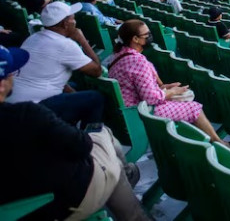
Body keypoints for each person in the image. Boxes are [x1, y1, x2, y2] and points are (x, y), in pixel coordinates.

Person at [0, 45, 149, 221]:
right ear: (2, 85)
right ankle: (131, 196)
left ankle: (123, 175)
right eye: (11, 73)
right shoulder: (27, 115)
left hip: (18, 206)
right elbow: (81, 146)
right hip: (65, 200)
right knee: (102, 133)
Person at [108, 19, 230, 148]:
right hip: (140, 113)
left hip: (129, 110)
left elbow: (137, 86)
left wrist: (163, 88)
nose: (150, 36)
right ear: (135, 39)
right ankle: (220, 144)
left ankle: (200, 142)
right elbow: (151, 98)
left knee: (185, 99)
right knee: (195, 108)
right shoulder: (137, 60)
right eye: (147, 35)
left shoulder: (118, 55)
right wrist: (172, 92)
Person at [8, 2, 105, 126]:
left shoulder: (33, 37)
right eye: (73, 19)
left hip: (15, 101)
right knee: (95, 98)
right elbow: (97, 71)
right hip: (34, 107)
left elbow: (52, 75)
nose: (75, 23)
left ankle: (66, 130)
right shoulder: (65, 45)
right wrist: (82, 40)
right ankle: (88, 141)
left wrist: (74, 94)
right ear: (65, 24)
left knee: (76, 86)